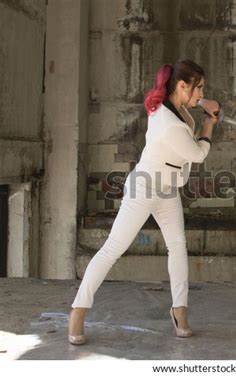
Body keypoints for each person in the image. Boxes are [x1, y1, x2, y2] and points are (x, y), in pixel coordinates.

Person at [68, 60, 220, 344]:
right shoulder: (168, 121)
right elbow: (198, 154)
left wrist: (202, 102)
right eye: (199, 87)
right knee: (112, 249)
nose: (202, 91)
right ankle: (78, 311)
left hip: (168, 188)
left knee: (177, 247)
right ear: (182, 86)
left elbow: (188, 110)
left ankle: (179, 310)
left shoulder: (173, 105)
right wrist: (210, 123)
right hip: (144, 188)